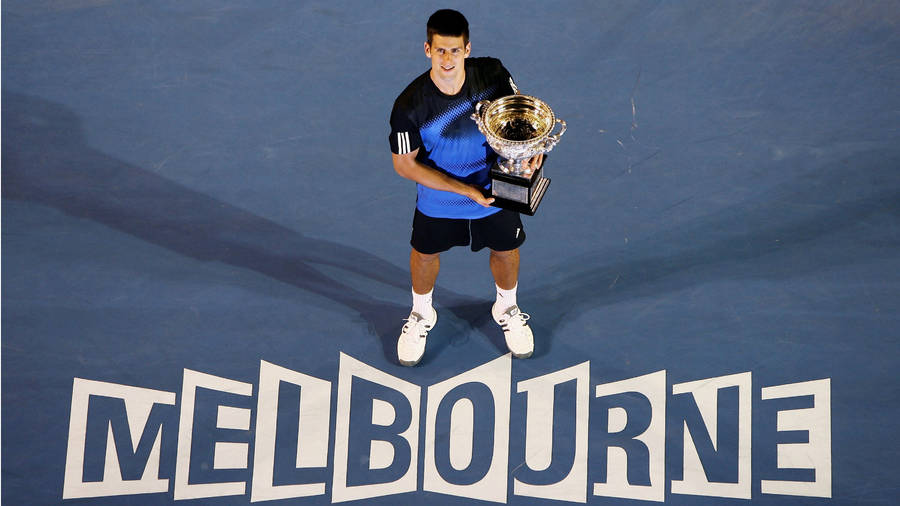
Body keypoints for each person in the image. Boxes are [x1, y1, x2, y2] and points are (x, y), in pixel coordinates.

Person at [388, 9, 543, 366]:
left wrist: (531, 154)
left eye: (454, 50)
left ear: (467, 49)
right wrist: (464, 190)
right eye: (440, 50)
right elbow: (404, 164)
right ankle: (422, 314)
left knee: (506, 249)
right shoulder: (409, 105)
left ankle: (507, 306)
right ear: (427, 49)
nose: (447, 59)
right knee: (425, 254)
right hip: (439, 196)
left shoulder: (492, 75)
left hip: (495, 185)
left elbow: (519, 119)